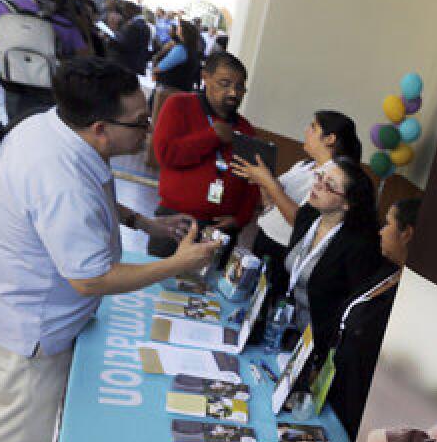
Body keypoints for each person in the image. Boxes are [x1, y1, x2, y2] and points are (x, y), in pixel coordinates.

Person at [0, 58, 220, 442]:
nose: (148, 130)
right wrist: (177, 264)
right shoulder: (57, 175)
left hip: (16, 299)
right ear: (101, 128)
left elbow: (96, 198)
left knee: (26, 416)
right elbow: (91, 278)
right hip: (27, 318)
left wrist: (143, 223)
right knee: (16, 419)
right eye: (140, 122)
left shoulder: (55, 126)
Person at [251, 157, 383, 356]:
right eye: (320, 177)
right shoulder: (307, 215)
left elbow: (352, 307)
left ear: (347, 203)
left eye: (328, 185)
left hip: (320, 340)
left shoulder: (358, 245)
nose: (318, 185)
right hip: (285, 327)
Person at [326, 197, 418, 442]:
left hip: (359, 420)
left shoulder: (410, 300)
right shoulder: (388, 271)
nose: (381, 231)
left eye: (388, 224)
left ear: (407, 233)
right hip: (334, 396)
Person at [151, 50, 261, 253]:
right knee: (159, 280)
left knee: (208, 285)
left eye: (239, 87)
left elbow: (252, 183)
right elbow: (166, 155)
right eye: (225, 83)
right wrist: (212, 136)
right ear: (206, 78)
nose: (233, 93)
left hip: (219, 229)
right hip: (177, 219)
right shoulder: (179, 106)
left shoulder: (246, 130)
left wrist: (240, 219)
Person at [231, 109, 361, 253]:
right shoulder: (304, 165)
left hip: (284, 248)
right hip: (265, 235)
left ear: (330, 138)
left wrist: (268, 181)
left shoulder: (331, 177)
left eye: (313, 127)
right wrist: (262, 180)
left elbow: (300, 221)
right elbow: (270, 203)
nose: (306, 131)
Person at [0, 0, 88, 123]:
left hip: (12, 79)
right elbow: (84, 58)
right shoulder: (62, 20)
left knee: (13, 124)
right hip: (48, 85)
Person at [150, 18, 202, 94]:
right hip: (183, 88)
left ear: (183, 31)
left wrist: (154, 70)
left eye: (179, 26)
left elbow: (161, 67)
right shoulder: (192, 48)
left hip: (170, 89)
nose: (176, 28)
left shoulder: (181, 49)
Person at [107, 0, 150, 75]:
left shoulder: (135, 26)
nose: (124, 13)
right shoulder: (142, 25)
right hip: (134, 64)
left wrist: (109, 39)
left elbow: (125, 46)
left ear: (131, 10)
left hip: (128, 65)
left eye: (125, 10)